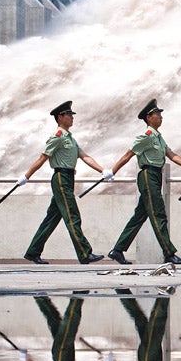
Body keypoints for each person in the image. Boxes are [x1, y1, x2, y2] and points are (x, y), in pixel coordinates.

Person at [107, 99, 181, 266]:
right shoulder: (145, 137)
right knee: (158, 214)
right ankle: (169, 253)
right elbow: (127, 155)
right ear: (148, 117)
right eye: (157, 114)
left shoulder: (158, 137)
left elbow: (171, 154)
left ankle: (117, 250)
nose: (160, 116)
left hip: (155, 176)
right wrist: (112, 171)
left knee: (140, 216)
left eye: (160, 114)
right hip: (147, 176)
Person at [19, 101, 109, 264]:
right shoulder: (58, 137)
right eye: (69, 115)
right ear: (60, 117)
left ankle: (33, 251)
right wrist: (26, 176)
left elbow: (84, 156)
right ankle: (84, 253)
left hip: (68, 178)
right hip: (61, 178)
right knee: (72, 215)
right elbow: (42, 158)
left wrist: (103, 170)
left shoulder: (70, 138)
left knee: (52, 218)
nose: (72, 118)